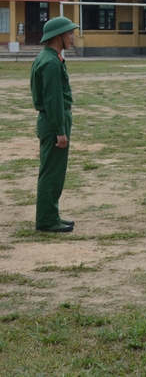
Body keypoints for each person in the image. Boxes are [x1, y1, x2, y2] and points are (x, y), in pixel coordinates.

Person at [31, 16, 80, 233]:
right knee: (52, 172)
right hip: (54, 123)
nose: (72, 36)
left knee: (53, 171)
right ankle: (47, 220)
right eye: (69, 33)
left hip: (51, 120)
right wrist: (60, 131)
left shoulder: (49, 58)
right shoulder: (50, 62)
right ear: (58, 36)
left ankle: (51, 215)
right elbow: (53, 100)